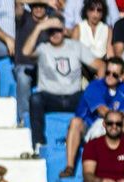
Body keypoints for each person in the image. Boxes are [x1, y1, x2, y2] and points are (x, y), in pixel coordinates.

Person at [24, 15, 98, 156]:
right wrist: (40, 27)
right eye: (50, 31)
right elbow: (26, 52)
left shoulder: (76, 46)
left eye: (58, 30)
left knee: (92, 98)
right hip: (50, 97)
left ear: (64, 30)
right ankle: (39, 143)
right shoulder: (43, 48)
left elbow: (99, 65)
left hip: (74, 97)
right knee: (35, 99)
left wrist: (96, 85)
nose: (55, 34)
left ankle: (91, 138)